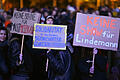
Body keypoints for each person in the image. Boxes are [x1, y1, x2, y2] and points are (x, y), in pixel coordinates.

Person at [45, 15, 73, 80]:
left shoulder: (62, 50)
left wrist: (50, 55)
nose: (50, 22)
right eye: (48, 20)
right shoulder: (62, 48)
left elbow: (60, 68)